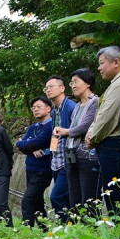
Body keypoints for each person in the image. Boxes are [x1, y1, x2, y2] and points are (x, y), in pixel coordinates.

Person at [86, 46, 120, 216]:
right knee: (113, 192)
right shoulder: (118, 83)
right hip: (111, 143)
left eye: (101, 63)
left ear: (116, 62)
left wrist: (94, 137)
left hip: (115, 144)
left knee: (117, 194)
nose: (99, 68)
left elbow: (108, 116)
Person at [53, 69, 99, 216]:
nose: (73, 85)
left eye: (76, 82)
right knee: (74, 197)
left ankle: (90, 230)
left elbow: (85, 126)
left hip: (87, 156)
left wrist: (66, 131)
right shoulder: (78, 105)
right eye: (71, 82)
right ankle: (77, 231)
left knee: (89, 197)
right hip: (72, 154)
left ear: (88, 83)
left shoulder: (95, 102)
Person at [16, 97, 54, 227]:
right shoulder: (33, 127)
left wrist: (27, 144)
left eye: (39, 106)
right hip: (30, 168)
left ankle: (28, 229)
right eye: (34, 108)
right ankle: (44, 230)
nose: (35, 109)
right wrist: (31, 149)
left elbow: (37, 142)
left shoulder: (51, 126)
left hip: (43, 170)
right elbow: (19, 144)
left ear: (48, 108)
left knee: (27, 200)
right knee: (37, 201)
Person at [44, 75, 76, 223]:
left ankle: (66, 227)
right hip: (56, 161)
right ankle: (70, 229)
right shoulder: (54, 111)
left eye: (51, 86)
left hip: (67, 161)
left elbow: (76, 132)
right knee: (66, 199)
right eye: (46, 88)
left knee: (56, 197)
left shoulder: (70, 107)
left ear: (62, 88)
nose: (48, 90)